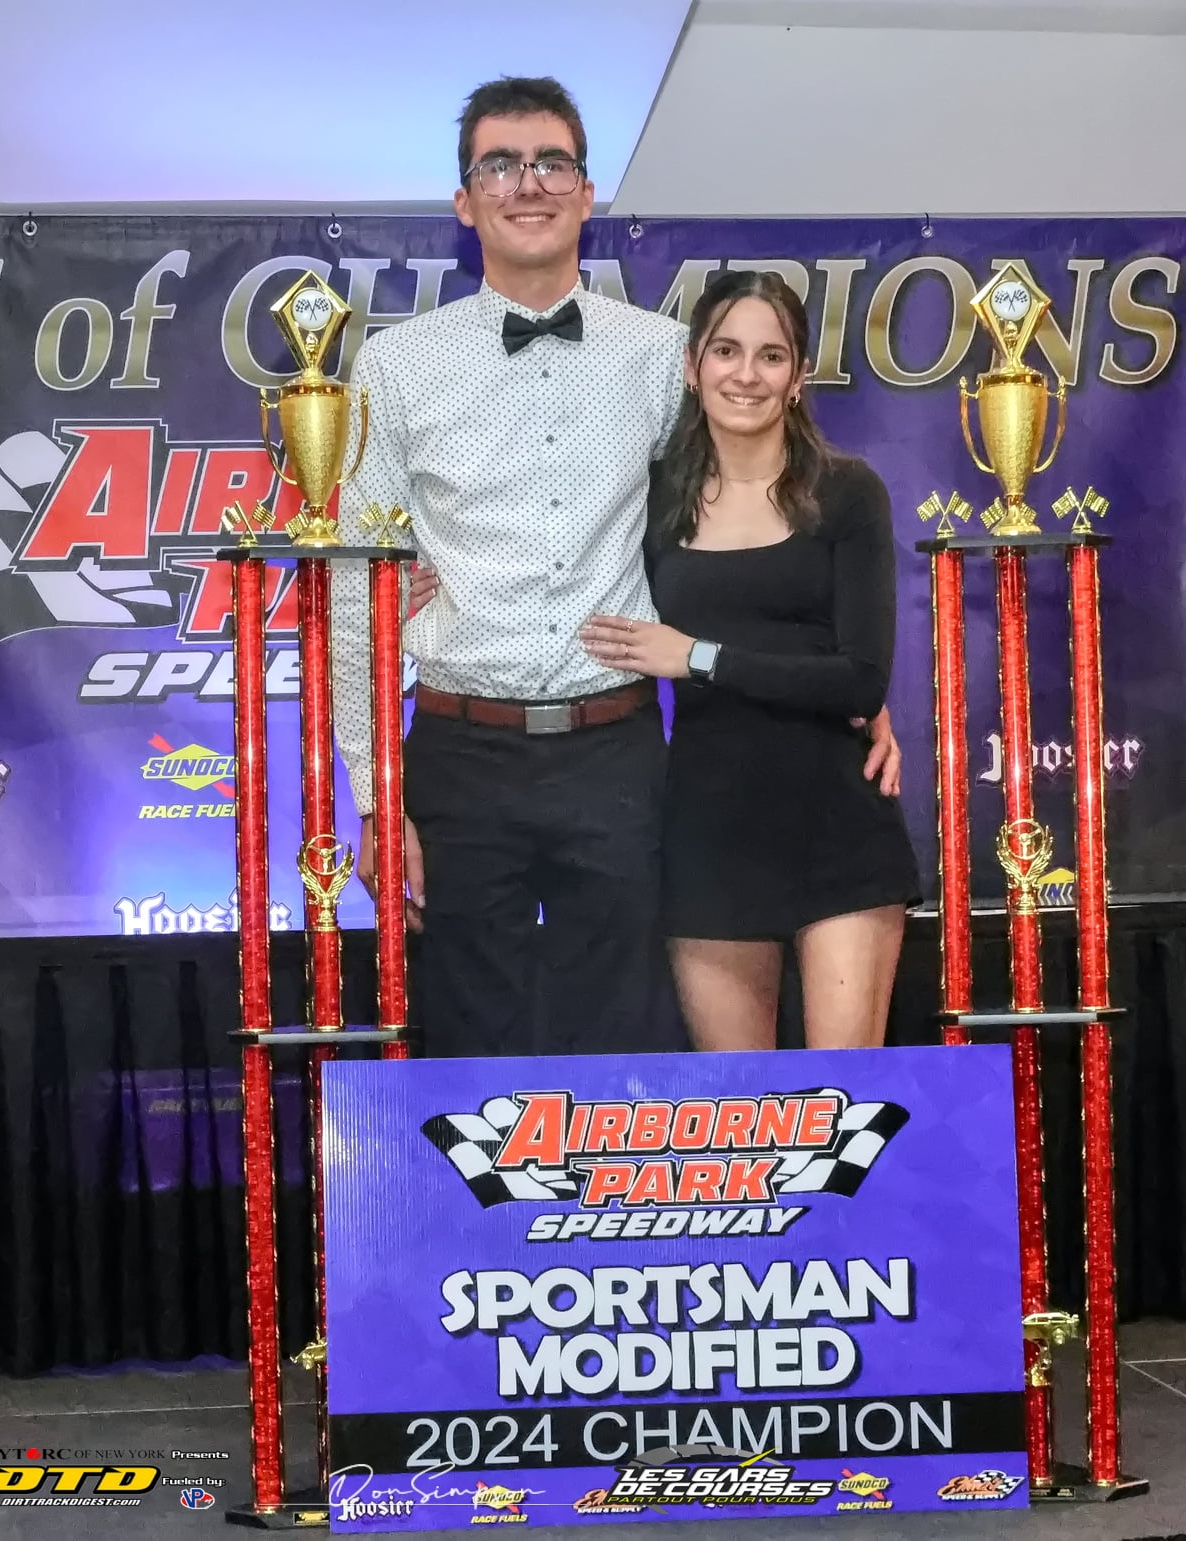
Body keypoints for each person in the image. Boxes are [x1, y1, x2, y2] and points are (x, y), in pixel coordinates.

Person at [331, 77, 897, 1058]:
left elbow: (758, 529)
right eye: (498, 164)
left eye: (550, 161)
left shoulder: (667, 357)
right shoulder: (395, 367)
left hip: (618, 752)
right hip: (460, 754)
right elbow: (352, 589)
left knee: (624, 1040)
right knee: (469, 1040)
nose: (527, 183)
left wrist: (853, 684)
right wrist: (377, 798)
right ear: (464, 202)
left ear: (587, 192)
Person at [581, 271, 919, 1050]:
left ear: (798, 377)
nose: (747, 373)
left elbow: (861, 676)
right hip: (708, 829)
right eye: (727, 350)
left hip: (837, 822)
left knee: (843, 1109)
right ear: (694, 366)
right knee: (743, 1116)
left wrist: (696, 656)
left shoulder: (847, 492)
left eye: (772, 356)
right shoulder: (654, 496)